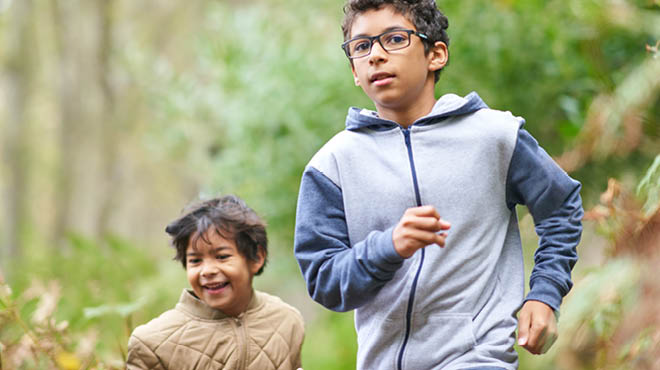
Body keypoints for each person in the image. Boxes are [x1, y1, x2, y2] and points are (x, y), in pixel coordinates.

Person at [293, 1, 583, 369]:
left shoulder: (495, 136)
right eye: (362, 46)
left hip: (479, 356)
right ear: (353, 69)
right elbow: (324, 282)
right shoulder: (331, 165)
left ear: (437, 54)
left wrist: (544, 294)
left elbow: (562, 208)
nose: (376, 56)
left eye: (394, 39)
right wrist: (389, 247)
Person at [127, 195, 305, 370]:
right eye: (195, 260)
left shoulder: (287, 321)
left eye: (222, 257)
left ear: (257, 257)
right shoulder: (152, 342)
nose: (207, 271)